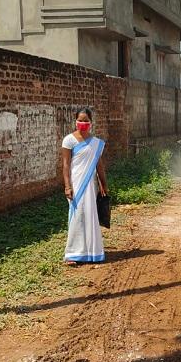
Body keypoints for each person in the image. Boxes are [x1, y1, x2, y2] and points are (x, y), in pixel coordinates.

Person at [61, 108, 108, 265]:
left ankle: (91, 252)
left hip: (90, 185)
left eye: (86, 121)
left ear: (91, 123)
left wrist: (104, 185)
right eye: (80, 120)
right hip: (76, 184)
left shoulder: (96, 143)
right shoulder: (69, 140)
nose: (83, 123)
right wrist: (67, 186)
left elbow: (99, 166)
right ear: (75, 122)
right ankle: (72, 254)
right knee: (76, 217)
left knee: (90, 216)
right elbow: (66, 166)